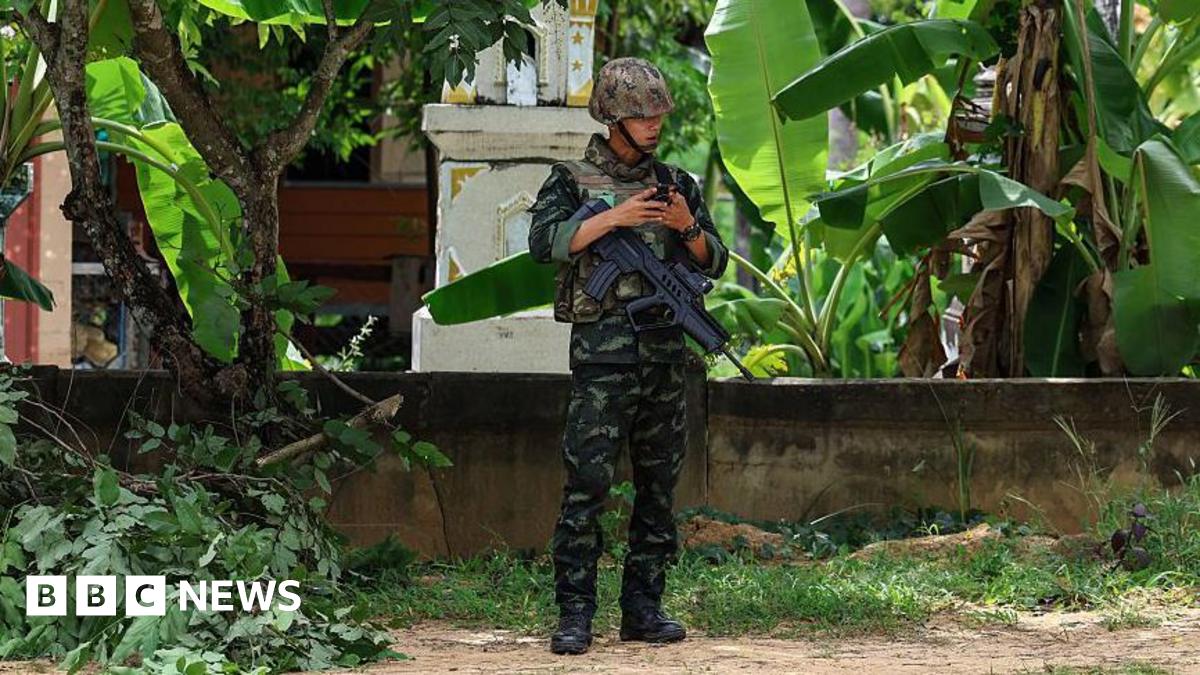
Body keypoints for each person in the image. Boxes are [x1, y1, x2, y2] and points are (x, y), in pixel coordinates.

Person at [526, 57, 729, 655]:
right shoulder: (570, 179)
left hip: (665, 362)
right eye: (642, 115)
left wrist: (688, 227)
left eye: (658, 114)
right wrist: (614, 218)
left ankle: (643, 608)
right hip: (602, 361)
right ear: (613, 116)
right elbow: (544, 244)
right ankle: (575, 614)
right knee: (586, 485)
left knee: (658, 489)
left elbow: (712, 260)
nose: (653, 125)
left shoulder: (678, 185)